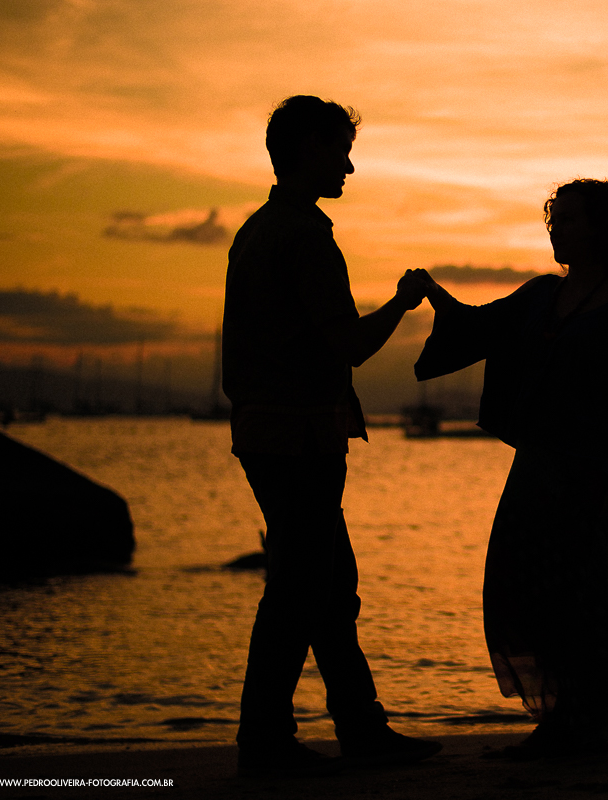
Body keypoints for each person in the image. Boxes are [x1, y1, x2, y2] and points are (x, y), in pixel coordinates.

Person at [223, 95, 441, 777]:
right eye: (338, 149)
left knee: (317, 584)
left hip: (269, 434)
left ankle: (348, 728)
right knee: (305, 587)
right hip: (298, 439)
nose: (349, 164)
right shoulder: (304, 236)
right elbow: (346, 345)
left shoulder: (256, 230)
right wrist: (403, 308)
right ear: (307, 148)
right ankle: (274, 739)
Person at [414, 178, 608, 757]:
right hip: (537, 469)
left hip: (591, 478)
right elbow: (477, 327)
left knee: (586, 598)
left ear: (600, 229)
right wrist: (432, 294)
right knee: (521, 588)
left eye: (569, 219)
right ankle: (556, 716)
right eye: (554, 218)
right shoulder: (541, 296)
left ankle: (582, 721)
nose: (556, 228)